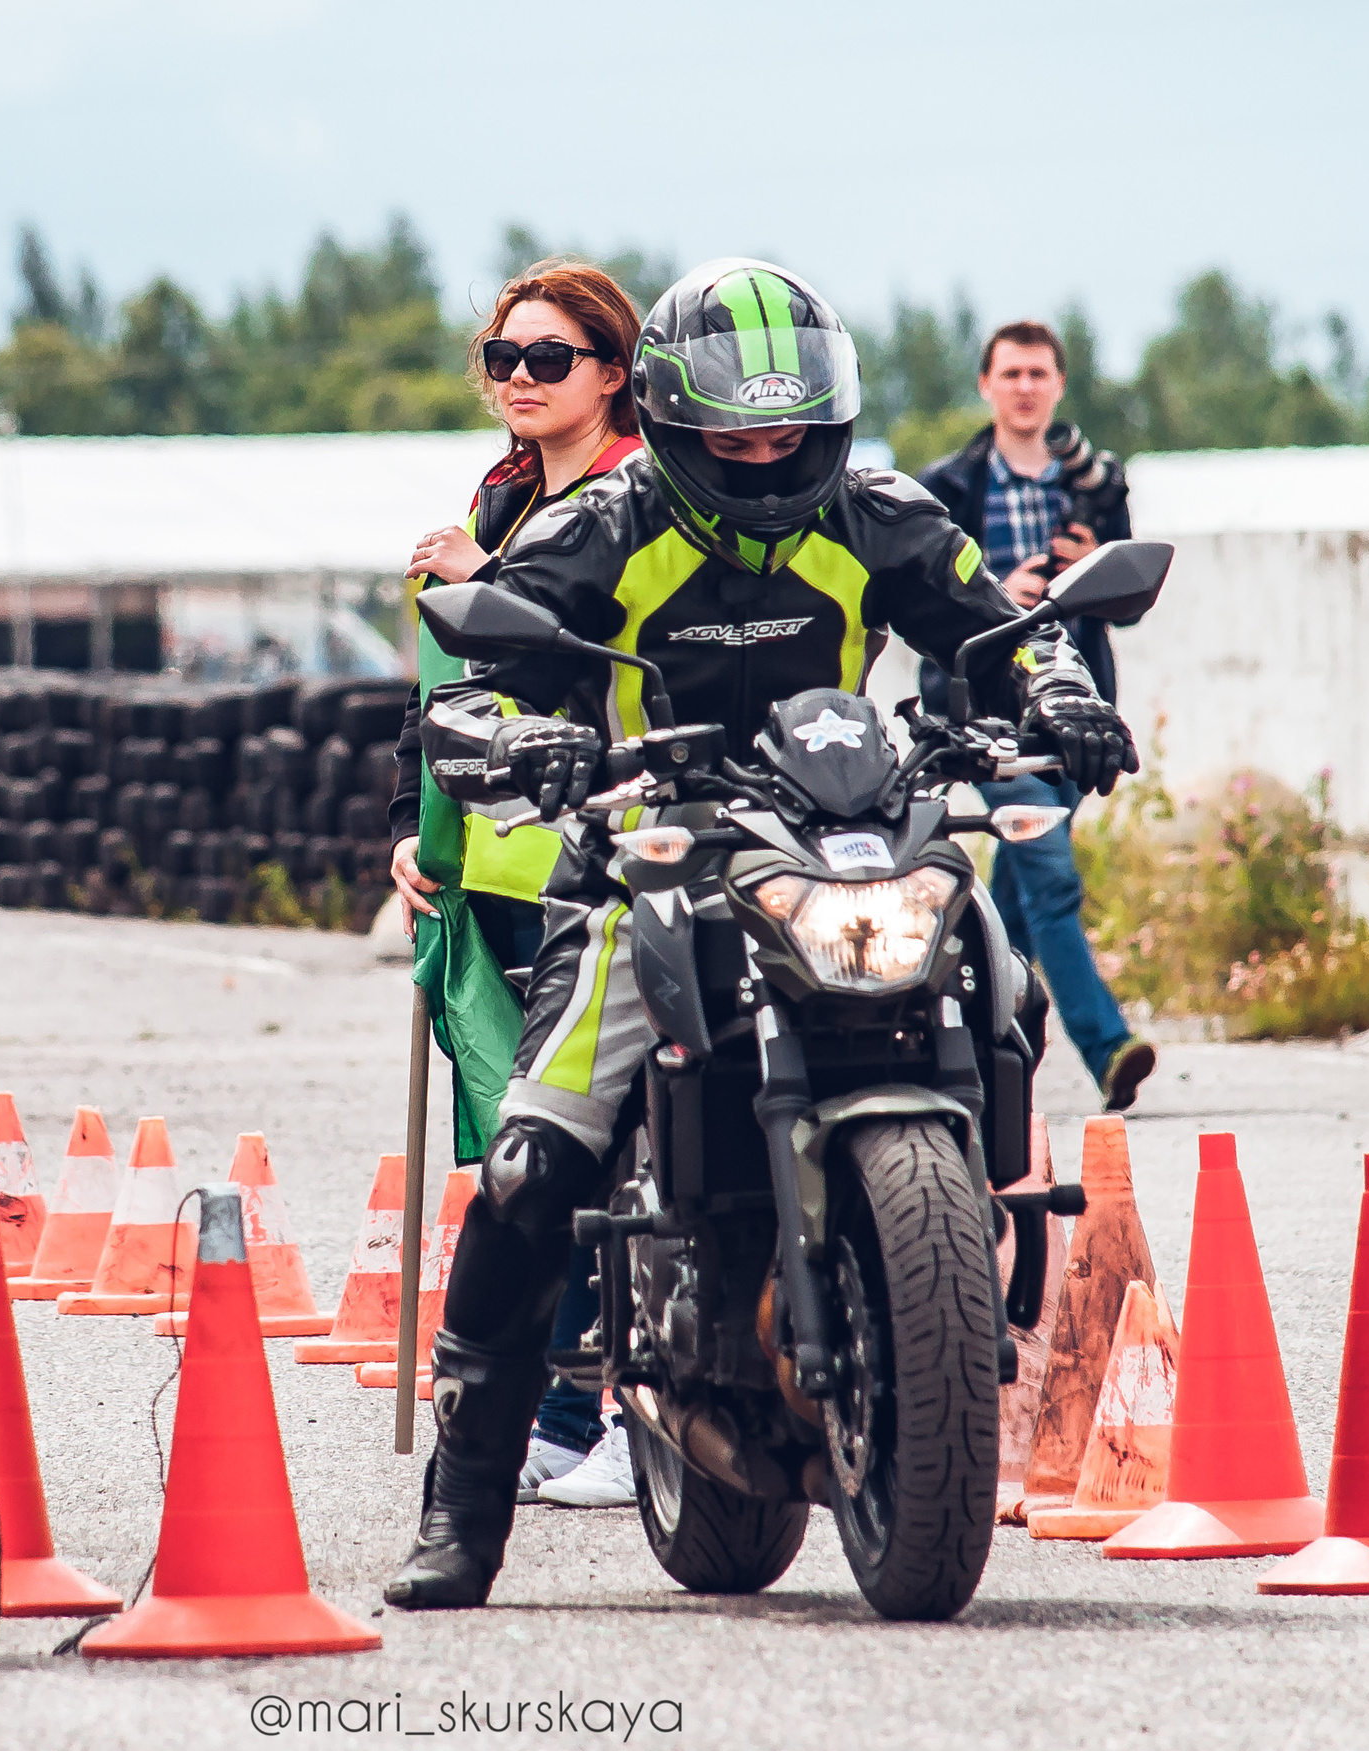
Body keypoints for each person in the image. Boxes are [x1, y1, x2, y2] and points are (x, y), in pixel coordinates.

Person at [383, 259, 1137, 1609]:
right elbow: (477, 692)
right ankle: (463, 1508)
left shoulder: (881, 513)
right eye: (733, 429)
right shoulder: (602, 524)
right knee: (532, 1165)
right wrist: (513, 738)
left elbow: (1004, 629)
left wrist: (1064, 688)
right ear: (674, 417)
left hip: (848, 833)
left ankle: (967, 1230)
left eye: (783, 427)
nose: (760, 450)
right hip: (650, 866)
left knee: (998, 971)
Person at [387, 260, 645, 1510]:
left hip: (598, 857)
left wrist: (472, 576)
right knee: (516, 1152)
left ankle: (610, 1413)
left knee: (591, 1144)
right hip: (484, 858)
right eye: (504, 358)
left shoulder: (638, 501)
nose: (522, 380)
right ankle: (550, 1410)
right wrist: (409, 826)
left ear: (611, 373)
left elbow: (584, 664)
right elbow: (443, 690)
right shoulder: (499, 494)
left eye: (550, 358)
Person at [915, 321, 1154, 1112]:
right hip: (986, 717)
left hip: (1075, 717)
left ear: (1057, 386)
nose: (1024, 386)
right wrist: (996, 599)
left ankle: (974, 1044)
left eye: (1038, 373)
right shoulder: (947, 485)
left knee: (1016, 891)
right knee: (1047, 872)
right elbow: (923, 603)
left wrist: (1087, 562)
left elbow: (1126, 612)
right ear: (986, 386)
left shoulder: (1094, 484)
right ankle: (1108, 1046)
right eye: (1010, 372)